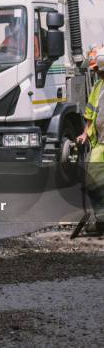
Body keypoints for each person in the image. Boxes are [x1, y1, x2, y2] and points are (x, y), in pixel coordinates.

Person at [77, 48, 104, 234]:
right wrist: (85, 133)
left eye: (97, 69)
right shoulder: (98, 86)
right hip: (100, 143)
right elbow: (90, 113)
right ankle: (101, 221)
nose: (95, 72)